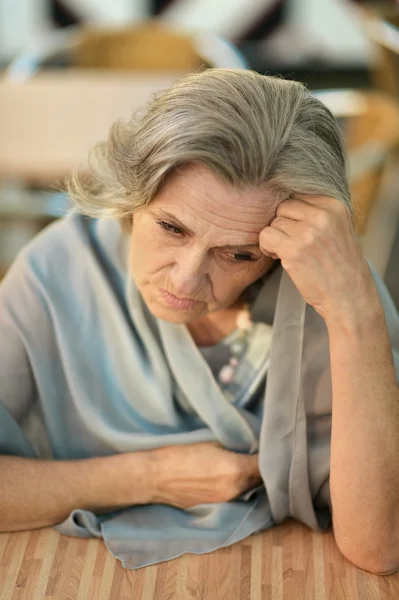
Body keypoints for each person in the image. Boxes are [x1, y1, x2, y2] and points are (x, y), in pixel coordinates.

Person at [1, 69, 398, 574]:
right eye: (170, 227)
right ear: (132, 196)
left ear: (277, 255)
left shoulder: (331, 294)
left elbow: (377, 546)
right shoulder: (61, 268)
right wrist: (151, 476)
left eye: (237, 255)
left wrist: (356, 315)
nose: (186, 281)